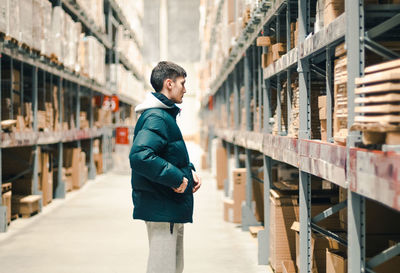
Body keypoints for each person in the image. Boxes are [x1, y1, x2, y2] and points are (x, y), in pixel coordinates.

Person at [129, 61, 201, 273]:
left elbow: (167, 152)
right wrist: (177, 178)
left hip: (167, 205)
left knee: (173, 266)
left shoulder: (163, 115)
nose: (185, 89)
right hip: (161, 205)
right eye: (182, 83)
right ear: (169, 84)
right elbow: (140, 156)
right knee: (163, 268)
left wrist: (189, 171)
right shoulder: (156, 117)